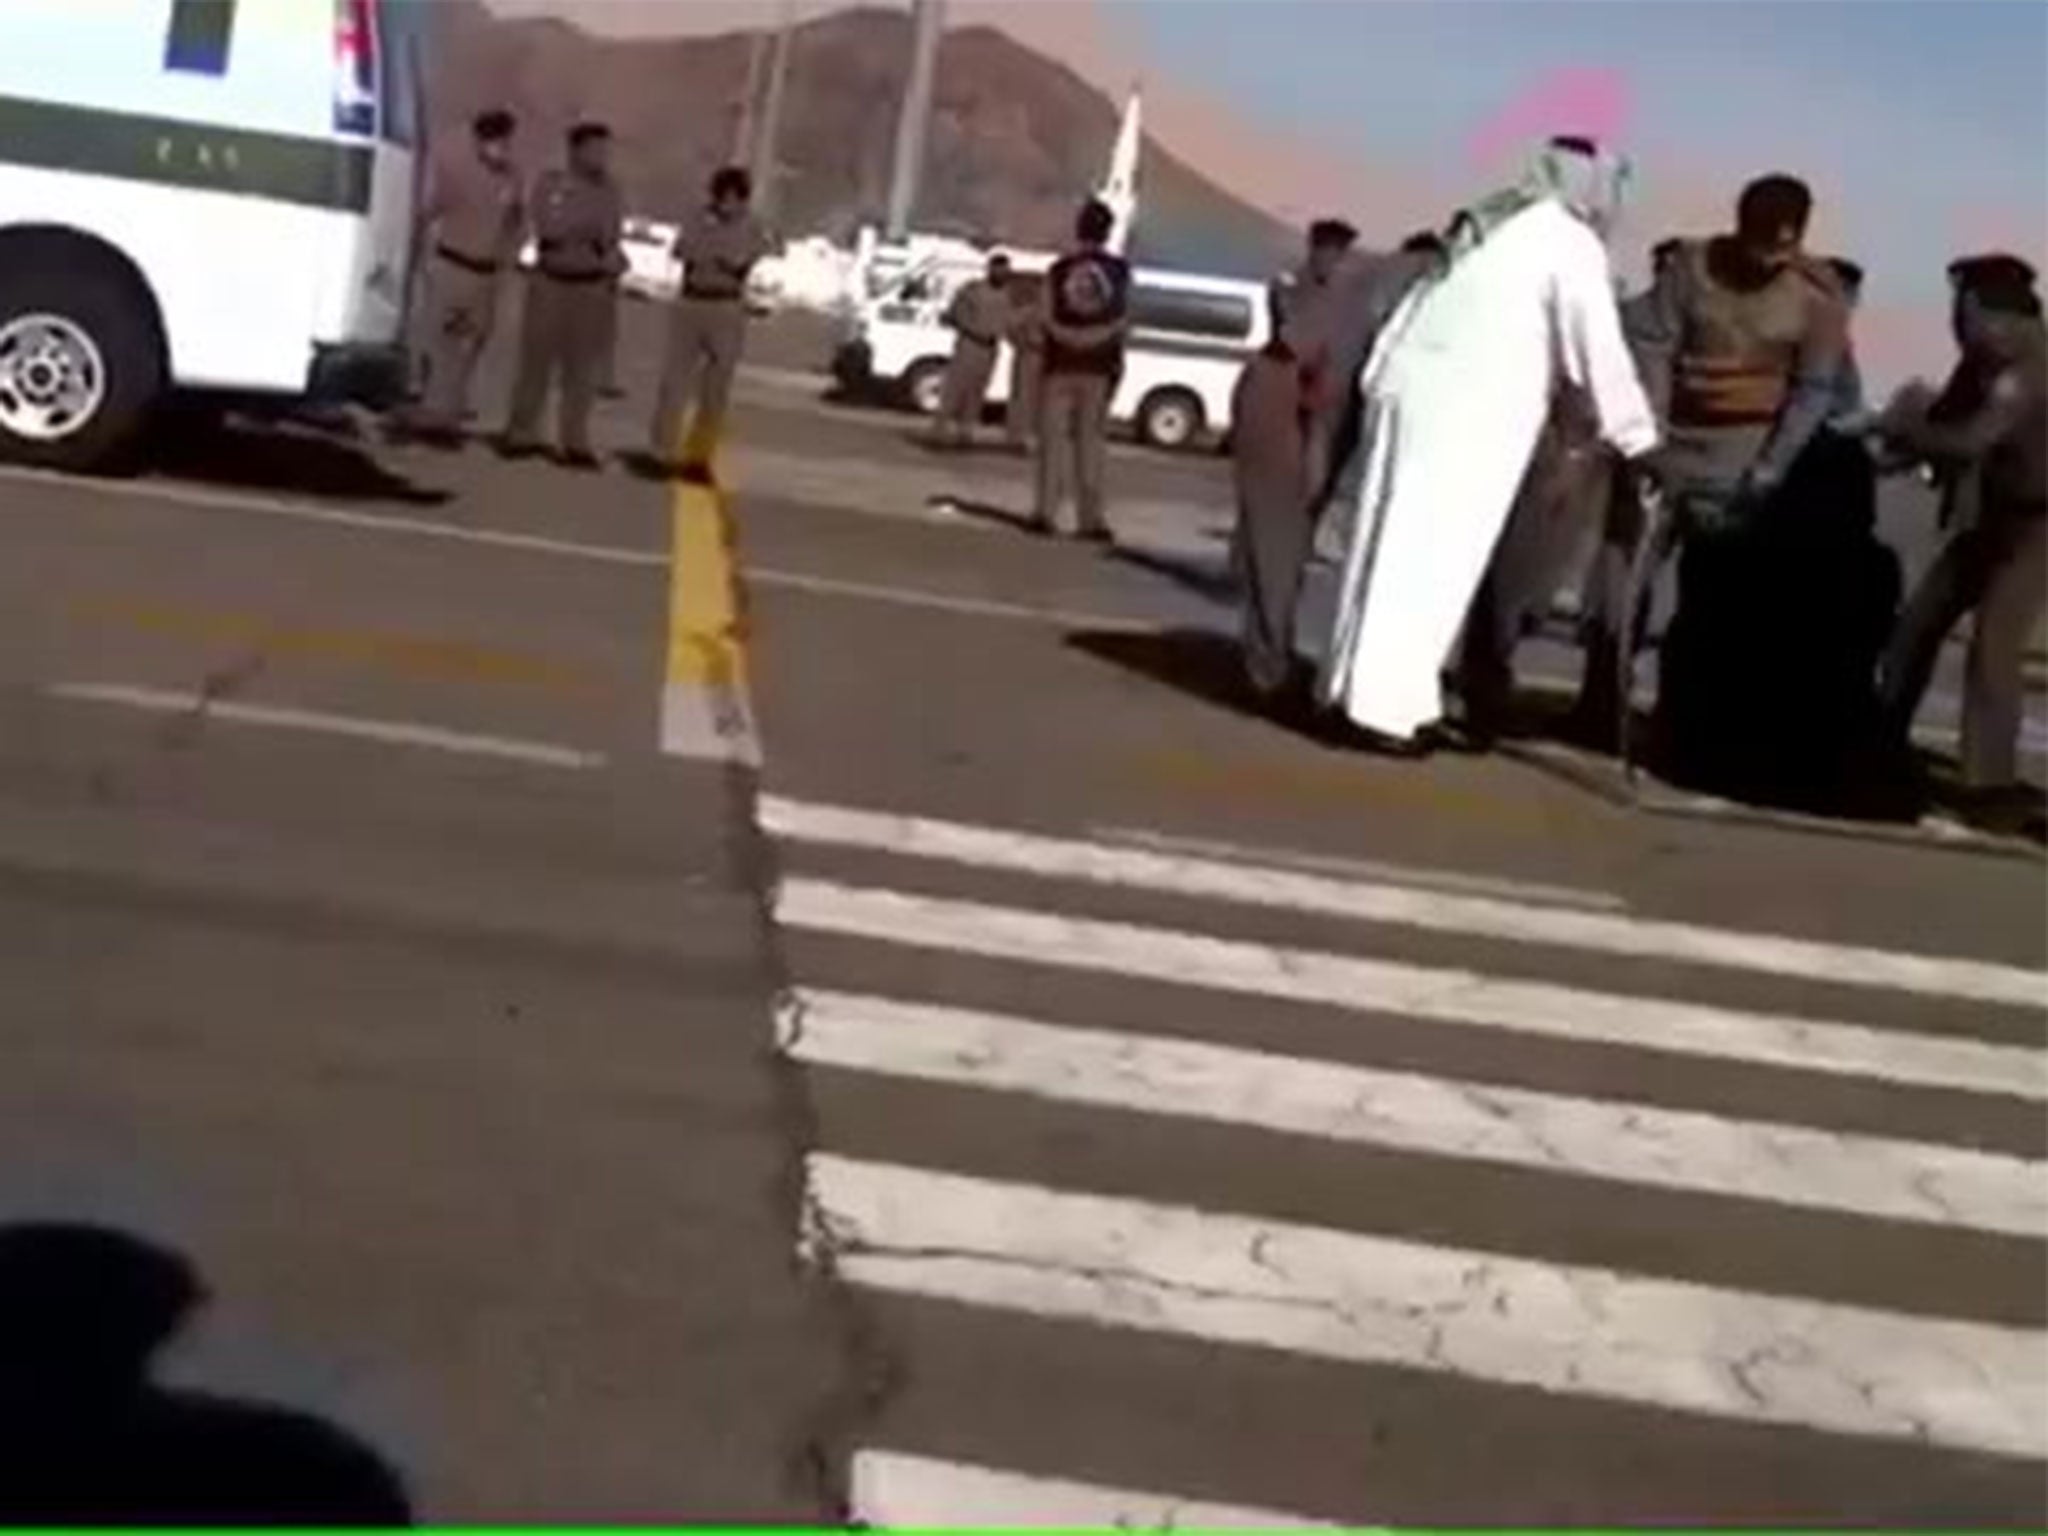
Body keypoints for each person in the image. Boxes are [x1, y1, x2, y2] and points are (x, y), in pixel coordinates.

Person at [1315, 137, 1660, 753]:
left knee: (1383, 545)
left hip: (1414, 395)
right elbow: (1597, 350)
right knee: (1428, 560)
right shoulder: (1565, 240)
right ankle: (1383, 711)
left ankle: (1357, 692)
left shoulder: (1496, 221)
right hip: (1464, 414)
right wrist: (1638, 438)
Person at [1574, 175, 1853, 771]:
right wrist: (1647, 442)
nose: (1765, 261)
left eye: (1780, 249)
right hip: (1670, 438)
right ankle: (1600, 709)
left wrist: (1770, 472)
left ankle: (1689, 728)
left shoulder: (1818, 296)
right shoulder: (1690, 270)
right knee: (1623, 582)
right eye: (1757, 246)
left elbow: (1812, 393)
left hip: (1745, 454)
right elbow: (1652, 343)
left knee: (1716, 604)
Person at [1234, 231, 1440, 702]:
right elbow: (1319, 374)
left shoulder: (1376, 284)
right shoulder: (1375, 293)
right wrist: (1318, 452)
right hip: (1288, 412)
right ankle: (1269, 670)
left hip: (1304, 411)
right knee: (1279, 542)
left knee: (1281, 543)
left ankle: (1268, 656)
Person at [1876, 257, 2046, 818]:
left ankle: (1989, 786)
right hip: (1996, 515)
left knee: (1995, 642)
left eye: (1964, 310)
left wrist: (1900, 426)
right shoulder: (1982, 360)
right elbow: (1943, 421)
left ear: (1989, 314)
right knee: (1917, 624)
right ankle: (1878, 739)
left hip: (2038, 524)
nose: (1957, 322)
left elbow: (1968, 441)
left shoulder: (2027, 367)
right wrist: (1879, 451)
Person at [499, 122, 624, 469]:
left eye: (605, 150)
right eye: (595, 149)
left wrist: (598, 242)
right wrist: (587, 228)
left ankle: (575, 439)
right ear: (576, 151)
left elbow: (610, 236)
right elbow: (551, 229)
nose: (601, 157)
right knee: (536, 362)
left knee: (582, 369)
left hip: (591, 287)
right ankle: (521, 431)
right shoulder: (552, 185)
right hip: (552, 282)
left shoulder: (611, 191)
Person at [400, 109, 523, 446]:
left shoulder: (511, 179)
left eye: (506, 140)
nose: (501, 147)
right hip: (453, 265)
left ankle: (450, 413)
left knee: (472, 345)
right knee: (441, 343)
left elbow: (515, 222)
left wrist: (507, 262)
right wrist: (411, 248)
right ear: (481, 142)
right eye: (495, 140)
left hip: (486, 274)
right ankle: (432, 413)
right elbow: (429, 210)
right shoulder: (459, 173)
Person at [649, 165, 774, 480]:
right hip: (692, 302)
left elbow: (741, 259)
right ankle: (662, 451)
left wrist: (716, 252)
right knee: (674, 383)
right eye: (722, 199)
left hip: (726, 307)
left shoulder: (752, 226)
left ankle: (699, 458)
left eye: (734, 200)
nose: (727, 206)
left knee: (715, 390)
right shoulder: (697, 218)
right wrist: (715, 251)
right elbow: (682, 250)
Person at [1033, 198, 1132, 541]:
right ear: (1107, 231)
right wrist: (1093, 339)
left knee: (1052, 442)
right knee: (1090, 444)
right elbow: (1122, 320)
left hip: (1059, 363)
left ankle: (1045, 512)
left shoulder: (1059, 270)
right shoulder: (1119, 272)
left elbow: (1045, 315)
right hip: (1098, 366)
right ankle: (1090, 519)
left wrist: (1068, 337)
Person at [930, 252, 1011, 448]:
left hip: (990, 349)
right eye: (998, 269)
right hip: (970, 344)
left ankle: (965, 432)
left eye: (1005, 270)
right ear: (990, 269)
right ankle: (939, 430)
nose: (1002, 274)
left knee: (977, 392)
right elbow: (955, 313)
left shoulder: (1007, 295)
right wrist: (969, 327)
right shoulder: (973, 290)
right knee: (956, 389)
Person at [1002, 271, 1044, 452]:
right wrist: (1020, 342)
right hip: (1029, 354)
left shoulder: (1057, 314)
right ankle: (1015, 436)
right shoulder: (1029, 310)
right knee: (1022, 395)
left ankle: (1032, 436)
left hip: (1048, 358)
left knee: (1040, 399)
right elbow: (1010, 327)